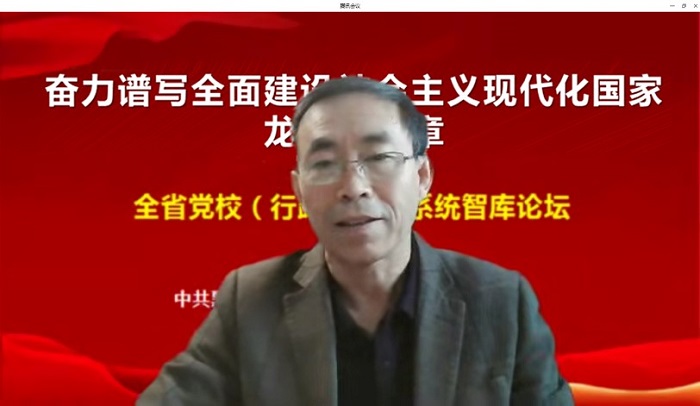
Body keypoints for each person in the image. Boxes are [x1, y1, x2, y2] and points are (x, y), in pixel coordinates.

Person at [137, 76, 574, 406]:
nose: (353, 187)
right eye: (325, 163)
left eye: (379, 157)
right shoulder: (251, 299)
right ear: (298, 190)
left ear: (422, 176)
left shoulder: (501, 301)